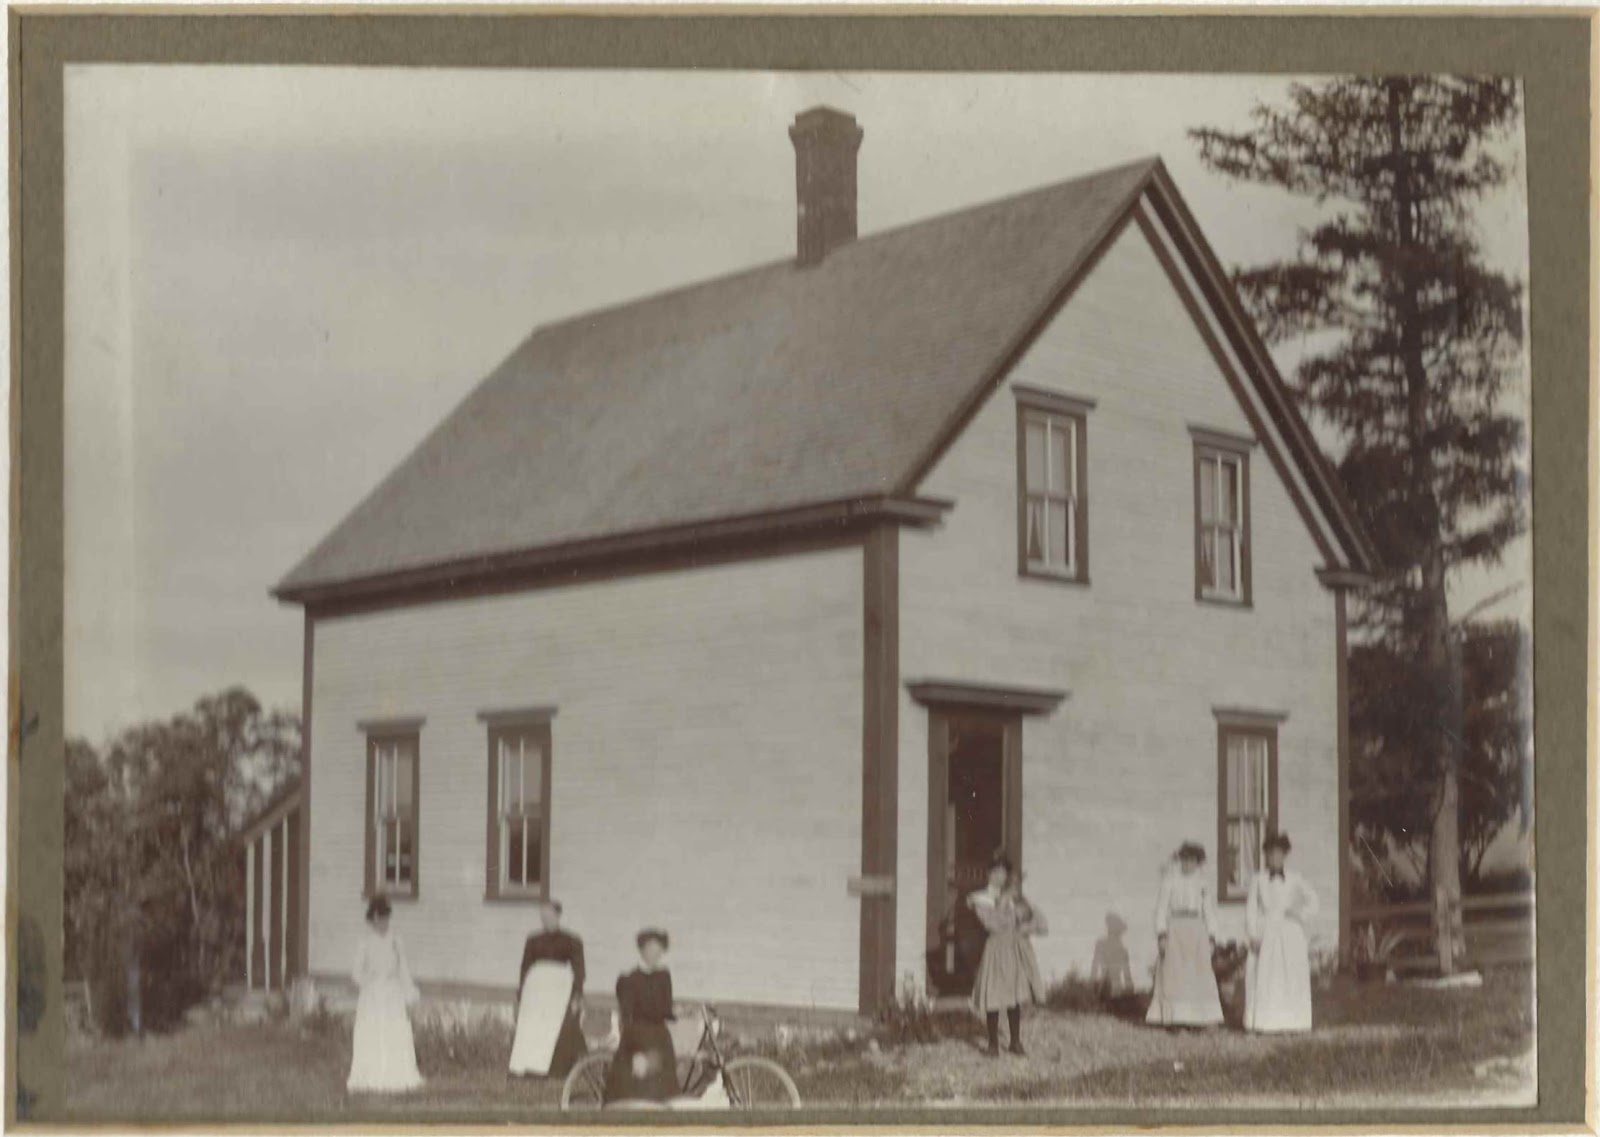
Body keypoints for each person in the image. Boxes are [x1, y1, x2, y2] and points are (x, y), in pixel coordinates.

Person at [968, 854, 1047, 1058]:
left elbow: (1040, 923)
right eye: (995, 873)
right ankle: (993, 1044)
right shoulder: (981, 898)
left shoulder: (1017, 898)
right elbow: (992, 924)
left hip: (1015, 949)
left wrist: (1024, 927)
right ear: (988, 874)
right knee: (993, 995)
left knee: (1015, 995)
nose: (999, 877)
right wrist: (1004, 903)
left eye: (1003, 873)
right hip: (996, 948)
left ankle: (1015, 1041)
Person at [1245, 831, 1319, 1033]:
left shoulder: (1295, 878)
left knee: (1290, 976)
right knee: (1266, 976)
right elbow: (1251, 909)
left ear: (1285, 855)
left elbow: (1313, 901)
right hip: (1267, 931)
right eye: (1270, 854)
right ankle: (1263, 1023)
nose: (1274, 858)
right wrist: (1252, 935)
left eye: (1278, 854)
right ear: (1266, 856)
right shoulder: (1258, 880)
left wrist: (1297, 912)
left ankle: (1293, 1023)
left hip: (1290, 931)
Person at [347, 897, 423, 1093]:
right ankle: (371, 1075)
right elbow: (355, 973)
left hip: (392, 995)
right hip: (372, 996)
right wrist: (368, 981)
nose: (383, 924)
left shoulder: (396, 941)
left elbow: (403, 968)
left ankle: (396, 1075)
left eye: (386, 919)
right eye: (379, 920)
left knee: (394, 1031)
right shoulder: (364, 942)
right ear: (372, 919)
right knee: (372, 1033)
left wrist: (409, 991)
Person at [1145, 841, 1224, 1028]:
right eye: (1185, 860)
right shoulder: (1170, 881)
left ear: (1198, 863)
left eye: (1192, 861)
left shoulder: (1202, 884)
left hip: (1196, 930)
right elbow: (1161, 909)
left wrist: (1212, 935)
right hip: (1176, 930)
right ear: (1180, 860)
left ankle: (1200, 1018)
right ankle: (1175, 1019)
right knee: (1175, 974)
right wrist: (1161, 934)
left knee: (1199, 973)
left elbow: (1209, 911)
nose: (1188, 864)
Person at [508, 899, 589, 1079]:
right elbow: (525, 968)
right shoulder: (533, 940)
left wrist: (577, 994)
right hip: (535, 990)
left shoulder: (571, 940)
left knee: (555, 1027)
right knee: (533, 1027)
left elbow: (579, 969)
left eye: (550, 915)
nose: (546, 919)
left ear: (558, 915)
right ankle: (531, 1068)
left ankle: (555, 1070)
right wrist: (520, 995)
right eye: (543, 916)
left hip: (558, 990)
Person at [604, 928, 678, 1103]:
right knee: (630, 1086)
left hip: (659, 1036)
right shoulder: (628, 979)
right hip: (636, 1035)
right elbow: (627, 1014)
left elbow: (666, 1008)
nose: (655, 953)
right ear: (642, 950)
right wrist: (637, 1051)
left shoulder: (664, 976)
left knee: (662, 1086)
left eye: (659, 949)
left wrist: (676, 1013)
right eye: (651, 948)